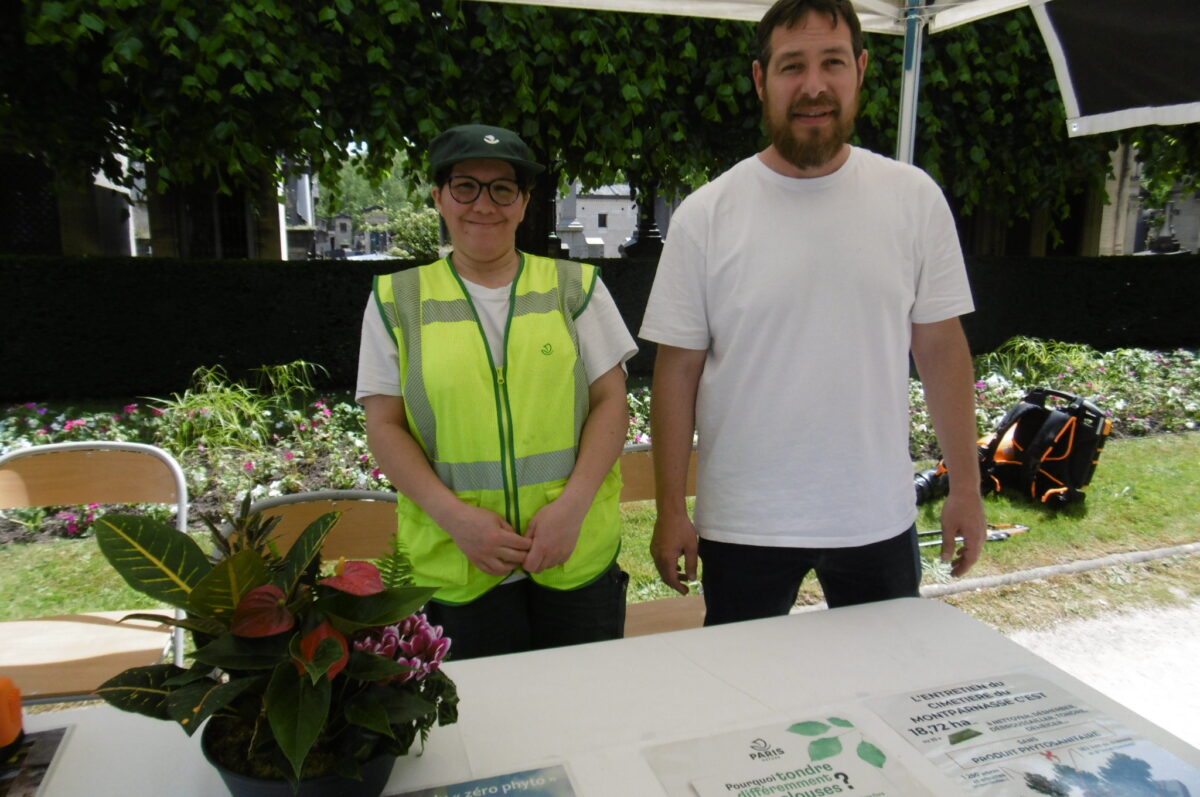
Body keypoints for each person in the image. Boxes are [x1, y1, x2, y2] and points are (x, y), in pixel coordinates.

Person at [638, 0, 986, 625]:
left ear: (861, 69)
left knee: (886, 696)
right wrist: (671, 509)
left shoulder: (913, 200)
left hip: (875, 514)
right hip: (745, 521)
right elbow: (676, 371)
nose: (814, 85)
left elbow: (940, 349)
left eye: (832, 62)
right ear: (759, 79)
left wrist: (966, 487)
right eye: (792, 66)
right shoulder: (706, 215)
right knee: (747, 702)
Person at [357, 124, 637, 658]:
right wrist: (455, 518)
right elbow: (384, 426)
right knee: (482, 729)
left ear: (525, 202)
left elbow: (611, 403)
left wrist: (573, 507)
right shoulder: (397, 301)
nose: (483, 204)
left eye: (502, 189)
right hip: (459, 560)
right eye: (465, 186)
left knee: (585, 713)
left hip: (570, 551)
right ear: (439, 197)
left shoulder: (575, 289)